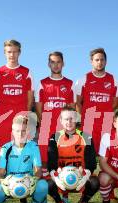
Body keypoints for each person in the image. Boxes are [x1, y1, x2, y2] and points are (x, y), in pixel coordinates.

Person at [0, 39, 34, 203]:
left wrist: (23, 117)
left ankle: (22, 196)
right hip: (2, 122)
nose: (12, 55)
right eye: (9, 51)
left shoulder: (27, 72)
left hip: (21, 123)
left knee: (22, 158)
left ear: (19, 52)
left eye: (15, 51)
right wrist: (5, 116)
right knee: (1, 158)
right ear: (4, 53)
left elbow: (30, 98)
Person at [0, 115, 48, 203]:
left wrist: (33, 180)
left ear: (28, 132)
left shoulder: (33, 147)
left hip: (27, 182)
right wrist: (5, 182)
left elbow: (38, 170)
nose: (20, 134)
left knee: (43, 185)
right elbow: (0, 173)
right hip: (11, 183)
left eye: (23, 131)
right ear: (12, 132)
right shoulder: (6, 148)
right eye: (17, 131)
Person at [47, 106, 99, 203]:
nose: (69, 122)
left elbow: (92, 163)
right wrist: (56, 179)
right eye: (66, 119)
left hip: (80, 177)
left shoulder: (86, 137)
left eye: (72, 119)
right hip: (61, 177)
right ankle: (59, 202)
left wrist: (85, 176)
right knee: (47, 183)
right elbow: (51, 164)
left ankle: (83, 201)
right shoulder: (55, 137)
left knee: (95, 182)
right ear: (61, 121)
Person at [35, 51, 75, 180]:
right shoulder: (42, 83)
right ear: (48, 64)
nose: (56, 65)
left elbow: (72, 107)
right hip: (46, 126)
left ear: (63, 64)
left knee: (63, 159)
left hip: (64, 128)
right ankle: (44, 192)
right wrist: (45, 122)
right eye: (53, 62)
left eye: (58, 62)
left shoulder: (70, 84)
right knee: (44, 160)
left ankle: (63, 193)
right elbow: (39, 107)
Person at [75, 48, 118, 153]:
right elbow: (78, 103)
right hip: (88, 123)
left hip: (106, 123)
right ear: (91, 61)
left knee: (107, 153)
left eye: (102, 59)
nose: (99, 62)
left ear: (106, 61)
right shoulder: (83, 79)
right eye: (97, 60)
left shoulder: (114, 80)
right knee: (87, 154)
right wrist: (85, 118)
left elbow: (115, 103)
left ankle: (105, 170)